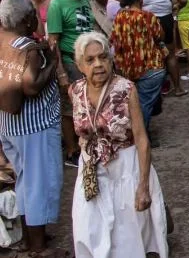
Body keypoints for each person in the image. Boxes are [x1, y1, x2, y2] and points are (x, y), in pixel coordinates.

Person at [69, 33, 168, 257]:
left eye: (103, 58)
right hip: (91, 170)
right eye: (90, 60)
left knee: (126, 235)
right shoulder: (75, 91)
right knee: (88, 229)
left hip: (125, 168)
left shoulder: (125, 89)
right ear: (79, 65)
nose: (98, 64)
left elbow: (141, 138)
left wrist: (143, 185)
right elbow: (81, 132)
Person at [0, 0, 65, 258]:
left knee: (26, 182)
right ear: (28, 20)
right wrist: (52, 62)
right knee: (39, 184)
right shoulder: (29, 48)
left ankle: (30, 240)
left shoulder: (3, 42)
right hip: (35, 126)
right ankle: (39, 248)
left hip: (9, 124)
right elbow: (30, 85)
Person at [47, 0, 94, 167]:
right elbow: (53, 42)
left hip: (88, 59)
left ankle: (88, 143)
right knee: (70, 107)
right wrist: (62, 73)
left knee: (89, 103)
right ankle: (72, 150)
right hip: (70, 60)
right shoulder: (57, 4)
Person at [109, 0, 167, 146]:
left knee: (134, 104)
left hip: (127, 68)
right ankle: (141, 137)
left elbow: (114, 39)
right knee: (144, 105)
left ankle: (138, 135)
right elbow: (160, 36)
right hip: (151, 67)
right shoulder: (148, 17)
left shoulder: (120, 17)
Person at [140, 0, 188, 97]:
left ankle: (158, 90)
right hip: (166, 20)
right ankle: (178, 88)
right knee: (171, 55)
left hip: (148, 21)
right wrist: (175, 8)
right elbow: (183, 0)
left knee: (152, 55)